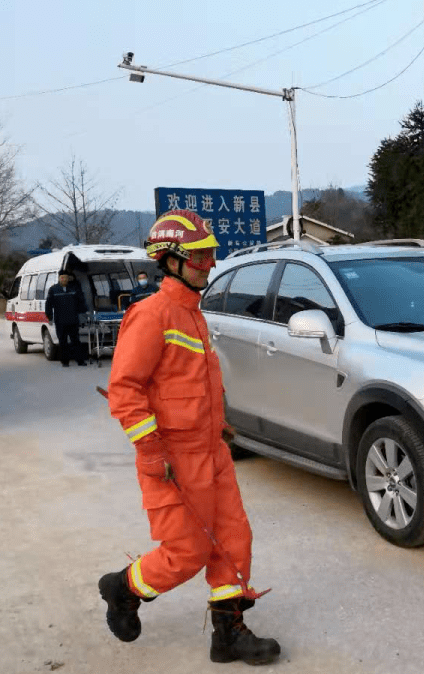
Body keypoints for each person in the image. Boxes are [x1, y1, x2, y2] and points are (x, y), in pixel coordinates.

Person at [98, 209, 280, 665]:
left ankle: (228, 635)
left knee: (234, 542)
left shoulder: (194, 317)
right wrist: (150, 448)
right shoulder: (152, 315)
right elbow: (125, 390)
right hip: (172, 459)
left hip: (211, 453)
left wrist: (219, 425)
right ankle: (123, 587)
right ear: (171, 259)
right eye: (200, 256)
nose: (210, 264)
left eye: (211, 255)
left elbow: (188, 386)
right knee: (187, 552)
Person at [44, 269, 88, 367]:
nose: (64, 279)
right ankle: (65, 361)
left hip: (73, 320)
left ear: (68, 279)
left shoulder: (74, 289)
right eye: (62, 277)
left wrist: (83, 314)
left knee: (76, 341)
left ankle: (80, 360)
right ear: (59, 278)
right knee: (63, 342)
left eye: (66, 278)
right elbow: (48, 304)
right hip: (60, 321)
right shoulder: (53, 290)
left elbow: (81, 302)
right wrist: (49, 316)